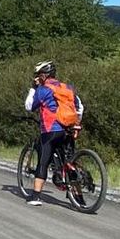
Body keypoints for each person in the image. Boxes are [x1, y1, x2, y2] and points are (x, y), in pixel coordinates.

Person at [22, 61, 83, 201]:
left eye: (38, 75)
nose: (37, 78)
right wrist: (77, 124)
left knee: (43, 162)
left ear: (43, 76)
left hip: (51, 130)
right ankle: (79, 198)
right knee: (69, 163)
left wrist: (33, 88)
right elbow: (80, 107)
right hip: (68, 129)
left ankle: (35, 197)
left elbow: (29, 106)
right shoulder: (67, 88)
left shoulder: (43, 89)